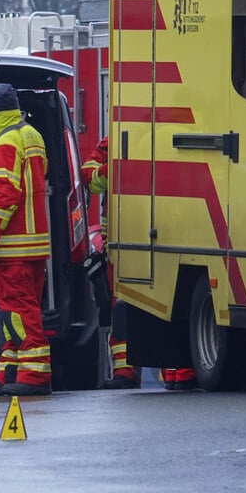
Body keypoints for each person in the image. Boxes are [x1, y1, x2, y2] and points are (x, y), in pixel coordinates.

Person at [0, 83, 52, 397]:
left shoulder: (4, 141)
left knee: (18, 311)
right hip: (33, 243)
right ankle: (10, 370)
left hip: (10, 245)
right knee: (13, 311)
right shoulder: (31, 134)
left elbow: (6, 195)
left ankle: (34, 375)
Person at [80, 136, 141, 389]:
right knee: (120, 306)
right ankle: (124, 372)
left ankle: (180, 373)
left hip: (158, 231)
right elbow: (88, 177)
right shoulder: (113, 141)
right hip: (119, 240)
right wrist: (114, 168)